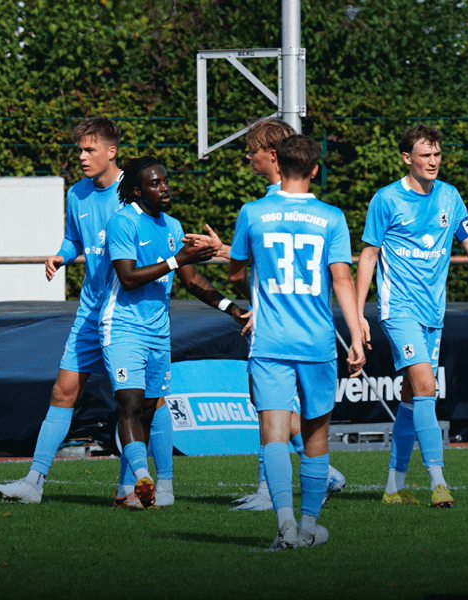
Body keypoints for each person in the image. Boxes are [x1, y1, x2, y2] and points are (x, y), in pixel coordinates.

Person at [0, 118, 174, 509]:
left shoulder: (135, 194)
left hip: (128, 317)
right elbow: (76, 239)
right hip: (90, 312)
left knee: (140, 405)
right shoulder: (77, 194)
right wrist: (61, 254)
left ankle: (130, 488)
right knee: (63, 390)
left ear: (112, 151)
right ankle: (34, 481)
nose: (82, 157)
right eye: (80, 150)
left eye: (90, 150)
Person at [354, 124, 468, 508]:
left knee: (411, 396)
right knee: (426, 387)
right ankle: (439, 481)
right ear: (407, 158)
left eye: (437, 155)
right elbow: (369, 256)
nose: (434, 162)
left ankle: (394, 486)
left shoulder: (450, 197)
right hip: (399, 311)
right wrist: (358, 313)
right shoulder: (386, 199)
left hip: (433, 313)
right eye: (426, 155)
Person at [195, 117, 348, 511]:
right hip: (309, 332)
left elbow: (266, 267)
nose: (249, 155)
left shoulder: (260, 209)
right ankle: (311, 489)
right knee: (282, 412)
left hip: (279, 330)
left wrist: (253, 289)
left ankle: (276, 495)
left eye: (254, 149)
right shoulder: (320, 213)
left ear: (275, 154)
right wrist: (230, 251)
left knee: (273, 415)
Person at [228, 134, 366, 549]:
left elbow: (235, 272)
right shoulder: (332, 217)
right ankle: (307, 527)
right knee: (315, 435)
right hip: (317, 342)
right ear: (314, 169)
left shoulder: (252, 212)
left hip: (269, 340)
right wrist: (356, 334)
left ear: (278, 163)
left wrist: (252, 281)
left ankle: (285, 526)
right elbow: (342, 278)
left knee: (271, 432)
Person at [102, 156, 249, 509]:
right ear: (138, 191)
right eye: (155, 183)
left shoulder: (173, 225)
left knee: (153, 407)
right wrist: (177, 260)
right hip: (123, 328)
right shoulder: (124, 223)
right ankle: (142, 477)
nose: (164, 187)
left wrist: (231, 308)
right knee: (130, 404)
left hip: (158, 332)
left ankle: (144, 490)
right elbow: (128, 278)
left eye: (165, 181)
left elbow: (192, 280)